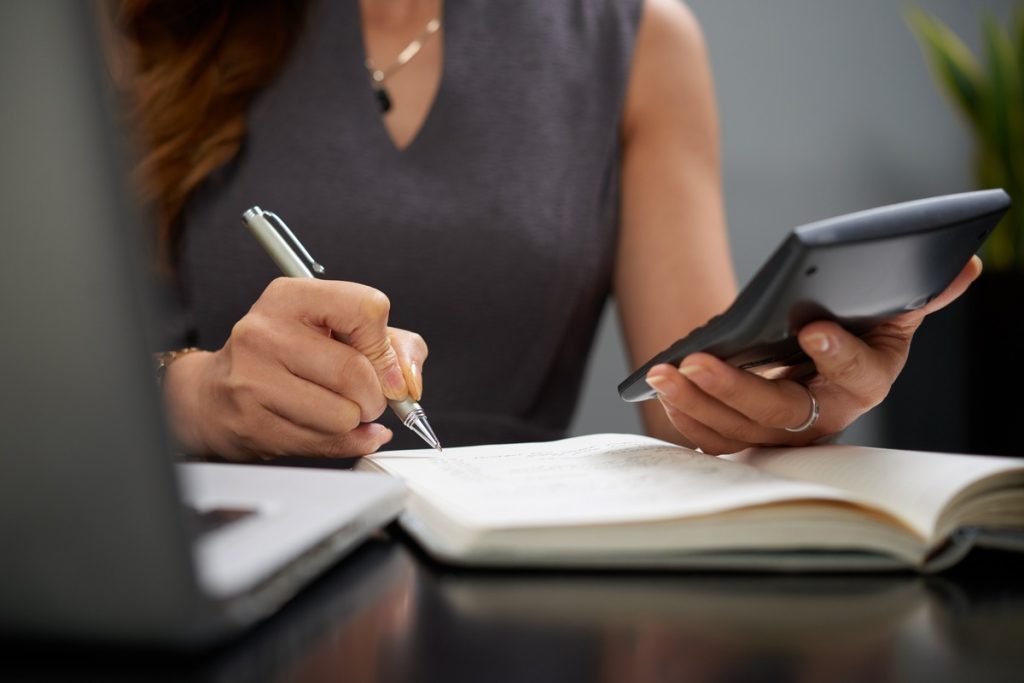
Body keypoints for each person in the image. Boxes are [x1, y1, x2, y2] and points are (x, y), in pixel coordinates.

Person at [107, 0, 981, 461]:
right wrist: (198, 394)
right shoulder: (136, 27)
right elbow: (46, 385)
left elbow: (694, 397)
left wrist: (810, 391)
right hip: (218, 559)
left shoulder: (638, 36)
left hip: (511, 572)